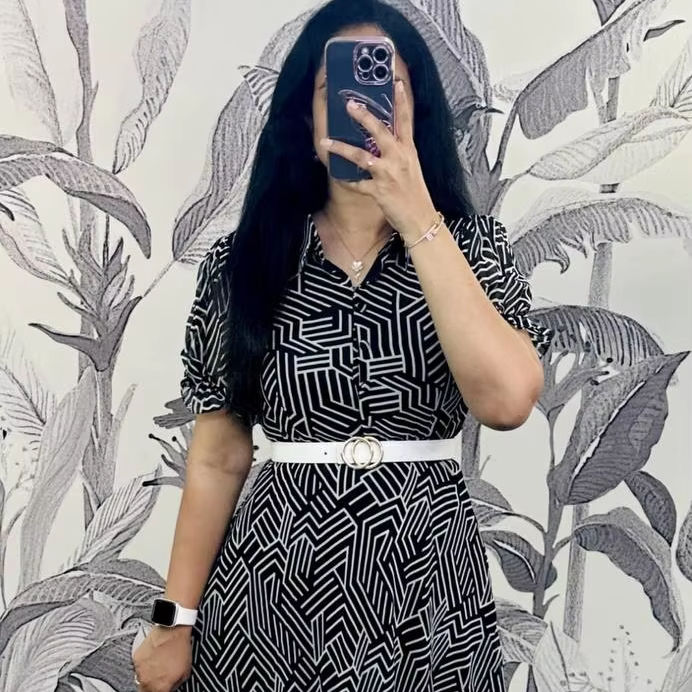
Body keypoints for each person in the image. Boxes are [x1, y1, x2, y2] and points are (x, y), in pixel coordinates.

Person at [133, 0, 554, 690]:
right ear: (307, 115)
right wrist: (173, 620)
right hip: (272, 588)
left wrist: (418, 218)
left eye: (386, 87)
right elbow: (217, 455)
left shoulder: (474, 250)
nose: (364, 108)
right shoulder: (244, 264)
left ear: (417, 110)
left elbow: (507, 402)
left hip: (427, 584)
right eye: (340, 89)